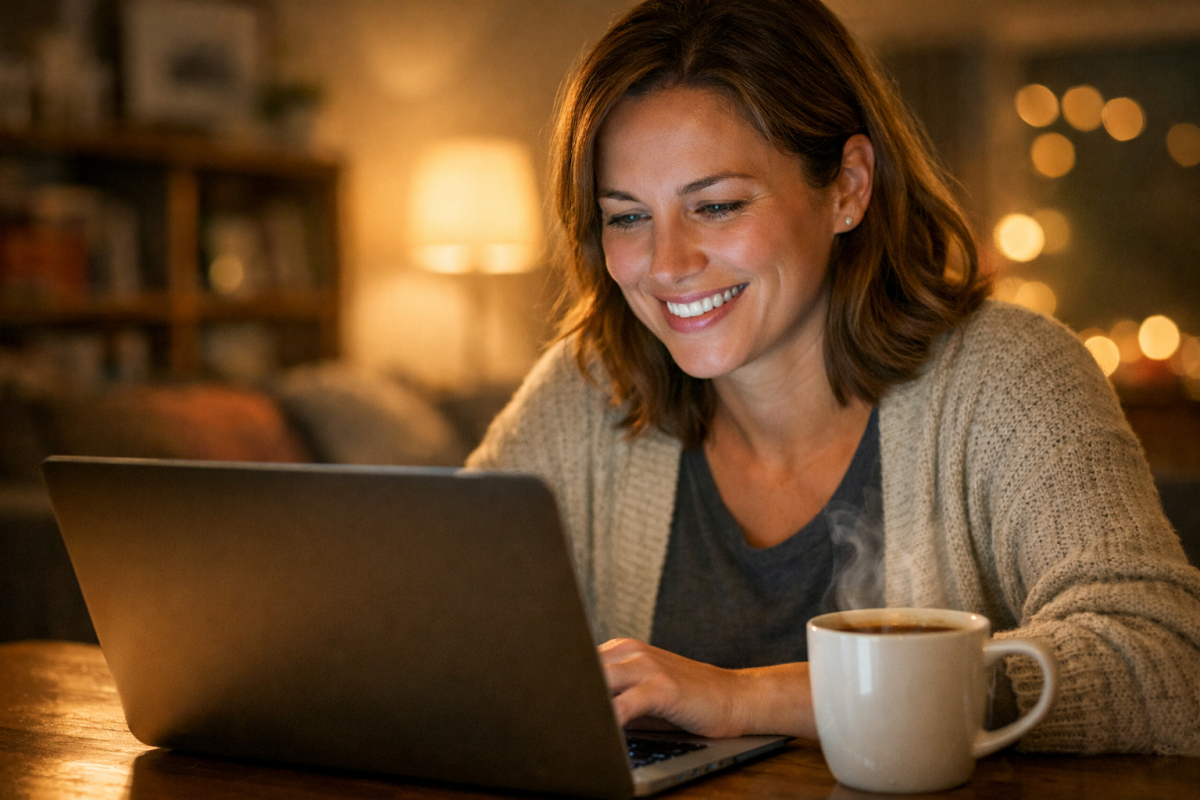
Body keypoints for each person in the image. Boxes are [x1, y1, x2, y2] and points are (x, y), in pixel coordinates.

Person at [467, 0, 1200, 754]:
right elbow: (431, 614)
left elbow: (1169, 667)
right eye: (626, 218)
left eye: (716, 206)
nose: (666, 264)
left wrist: (745, 697)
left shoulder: (1008, 380)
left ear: (848, 187)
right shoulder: (591, 388)